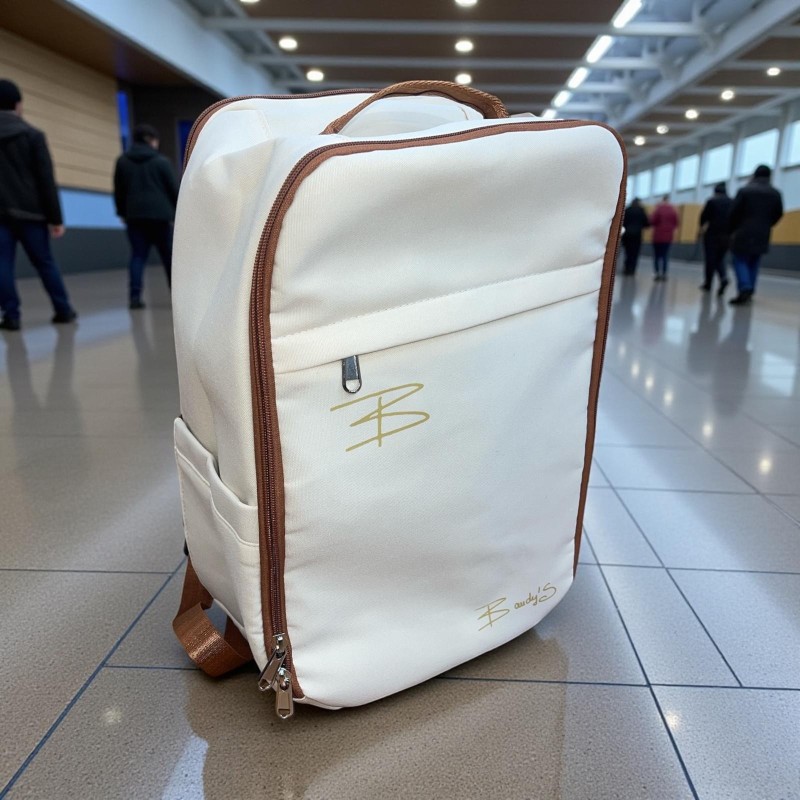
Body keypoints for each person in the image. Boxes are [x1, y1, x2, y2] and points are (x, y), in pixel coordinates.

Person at [0, 79, 78, 331]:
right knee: (45, 262)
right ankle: (63, 310)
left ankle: (11, 316)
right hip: (32, 213)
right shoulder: (33, 135)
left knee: (2, 264)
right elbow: (46, 179)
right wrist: (56, 219)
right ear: (18, 104)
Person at [114, 124, 178, 309]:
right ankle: (176, 296)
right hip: (161, 217)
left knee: (137, 256)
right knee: (168, 258)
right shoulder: (162, 162)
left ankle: (134, 297)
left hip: (134, 217)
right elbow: (173, 189)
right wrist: (178, 213)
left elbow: (119, 191)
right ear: (151, 140)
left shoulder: (122, 162)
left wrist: (122, 212)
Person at [728, 164, 783, 306]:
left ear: (755, 175)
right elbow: (778, 213)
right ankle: (750, 290)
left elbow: (734, 212)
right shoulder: (775, 193)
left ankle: (745, 287)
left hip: (743, 231)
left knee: (739, 259)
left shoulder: (745, 191)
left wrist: (733, 229)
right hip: (763, 233)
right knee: (754, 261)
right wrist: (767, 224)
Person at [698, 182, 732, 296]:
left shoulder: (712, 201)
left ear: (715, 191)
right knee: (720, 259)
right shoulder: (732, 202)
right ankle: (723, 278)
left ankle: (708, 284)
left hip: (712, 234)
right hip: (727, 235)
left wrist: (701, 228)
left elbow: (703, 217)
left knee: (710, 259)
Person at [649, 195, 679, 281]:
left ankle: (657, 273)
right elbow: (676, 223)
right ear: (668, 200)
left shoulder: (658, 209)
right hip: (668, 237)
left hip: (658, 236)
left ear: (662, 200)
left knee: (656, 255)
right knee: (665, 255)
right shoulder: (673, 210)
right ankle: (664, 274)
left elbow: (652, 221)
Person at [620, 197, 650, 275]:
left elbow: (622, 222)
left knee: (627, 252)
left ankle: (626, 268)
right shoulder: (641, 211)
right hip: (637, 236)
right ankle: (632, 269)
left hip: (627, 235)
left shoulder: (627, 210)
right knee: (635, 253)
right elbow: (646, 224)